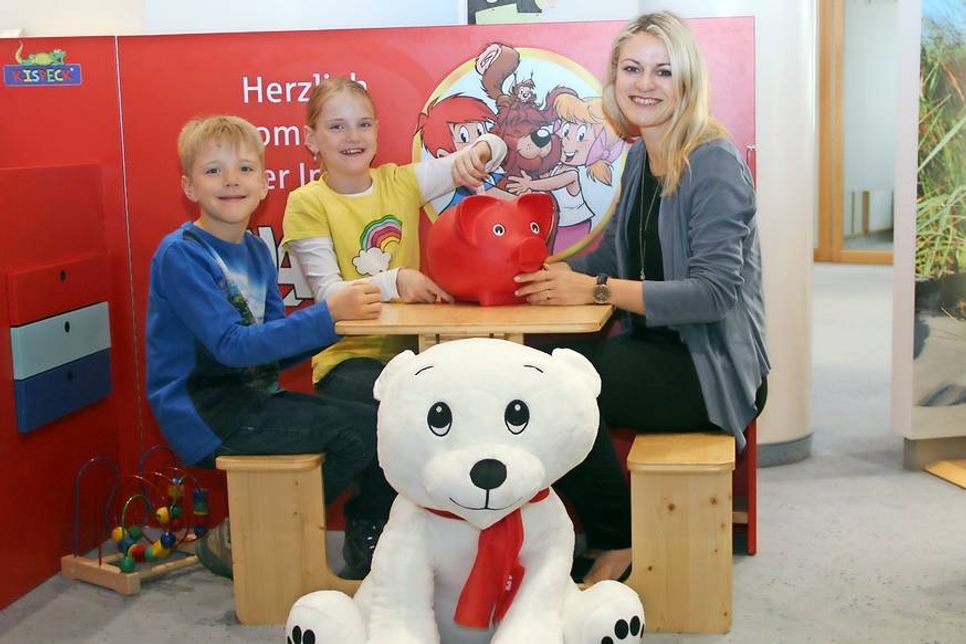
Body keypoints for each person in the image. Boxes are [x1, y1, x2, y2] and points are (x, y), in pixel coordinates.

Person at [514, 12, 771, 585]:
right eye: (632, 68)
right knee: (542, 373)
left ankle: (619, 539)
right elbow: (610, 259)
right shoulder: (638, 157)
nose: (645, 84)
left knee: (555, 389)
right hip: (656, 351)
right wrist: (543, 276)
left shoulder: (713, 162)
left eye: (663, 70)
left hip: (710, 369)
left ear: (688, 81)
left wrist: (594, 289)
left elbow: (714, 294)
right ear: (614, 78)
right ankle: (614, 532)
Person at [146, 115, 395, 580]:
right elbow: (231, 346)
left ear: (264, 184)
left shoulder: (258, 251)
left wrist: (337, 325)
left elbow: (272, 350)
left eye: (244, 169)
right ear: (189, 186)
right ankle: (252, 535)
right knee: (356, 432)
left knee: (373, 423)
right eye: (213, 170)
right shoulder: (183, 254)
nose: (231, 181)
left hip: (253, 400)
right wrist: (327, 315)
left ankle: (260, 533)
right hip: (205, 412)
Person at [282, 78, 507, 404]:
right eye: (336, 127)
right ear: (311, 139)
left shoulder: (402, 182)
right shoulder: (307, 203)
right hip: (347, 359)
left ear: (376, 131)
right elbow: (327, 295)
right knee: (410, 403)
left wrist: (481, 151)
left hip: (415, 350)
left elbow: (495, 148)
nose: (353, 137)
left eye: (363, 125)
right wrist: (395, 282)